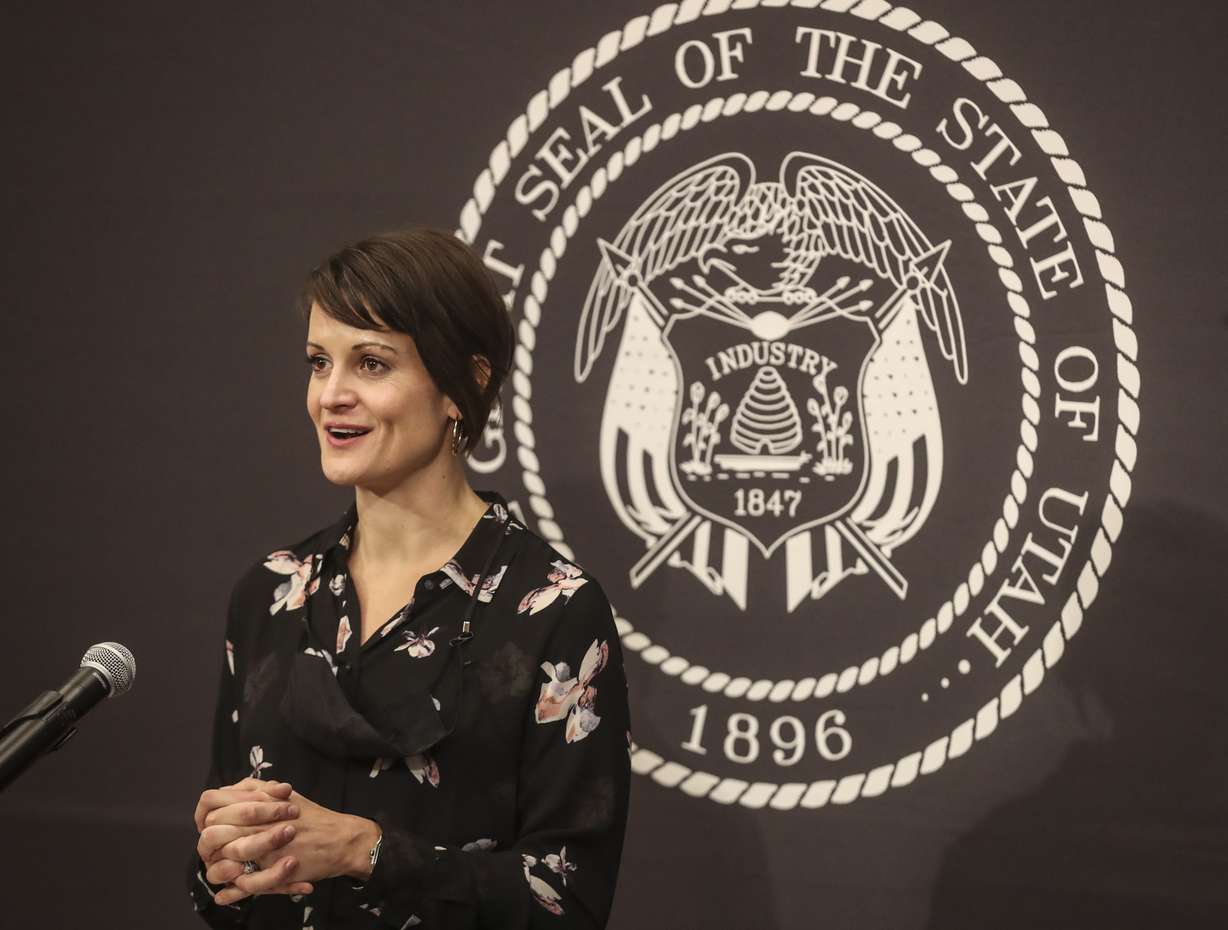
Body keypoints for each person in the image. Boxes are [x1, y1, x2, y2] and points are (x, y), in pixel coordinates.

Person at [186, 227, 631, 929]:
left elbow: (566, 903)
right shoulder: (269, 594)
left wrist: (369, 852)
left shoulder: (553, 609)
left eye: (370, 364)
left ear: (465, 385)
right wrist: (220, 856)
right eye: (317, 362)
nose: (330, 395)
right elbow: (218, 890)